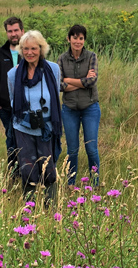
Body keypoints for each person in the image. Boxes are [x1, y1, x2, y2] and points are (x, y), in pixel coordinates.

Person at [8, 30, 62, 201]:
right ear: (21, 50)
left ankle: (50, 205)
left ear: (41, 49)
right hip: (23, 127)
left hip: (46, 127)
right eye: (25, 49)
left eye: (34, 48)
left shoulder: (53, 69)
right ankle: (30, 207)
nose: (29, 53)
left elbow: (55, 98)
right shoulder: (13, 74)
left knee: (48, 169)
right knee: (28, 168)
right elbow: (12, 101)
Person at [58, 24, 100, 186]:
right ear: (69, 39)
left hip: (90, 108)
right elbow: (59, 85)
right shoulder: (61, 59)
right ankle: (70, 184)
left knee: (91, 148)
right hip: (69, 109)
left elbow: (92, 81)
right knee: (72, 150)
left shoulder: (91, 56)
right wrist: (82, 81)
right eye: (74, 37)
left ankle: (95, 184)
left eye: (81, 38)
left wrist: (69, 81)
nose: (78, 41)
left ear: (84, 40)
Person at [0, 16, 23, 177]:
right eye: (10, 31)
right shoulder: (0, 53)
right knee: (11, 138)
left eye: (16, 30)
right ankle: (14, 173)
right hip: (5, 106)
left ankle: (26, 170)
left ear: (22, 31)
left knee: (22, 138)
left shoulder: (30, 52)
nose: (13, 34)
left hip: (25, 105)